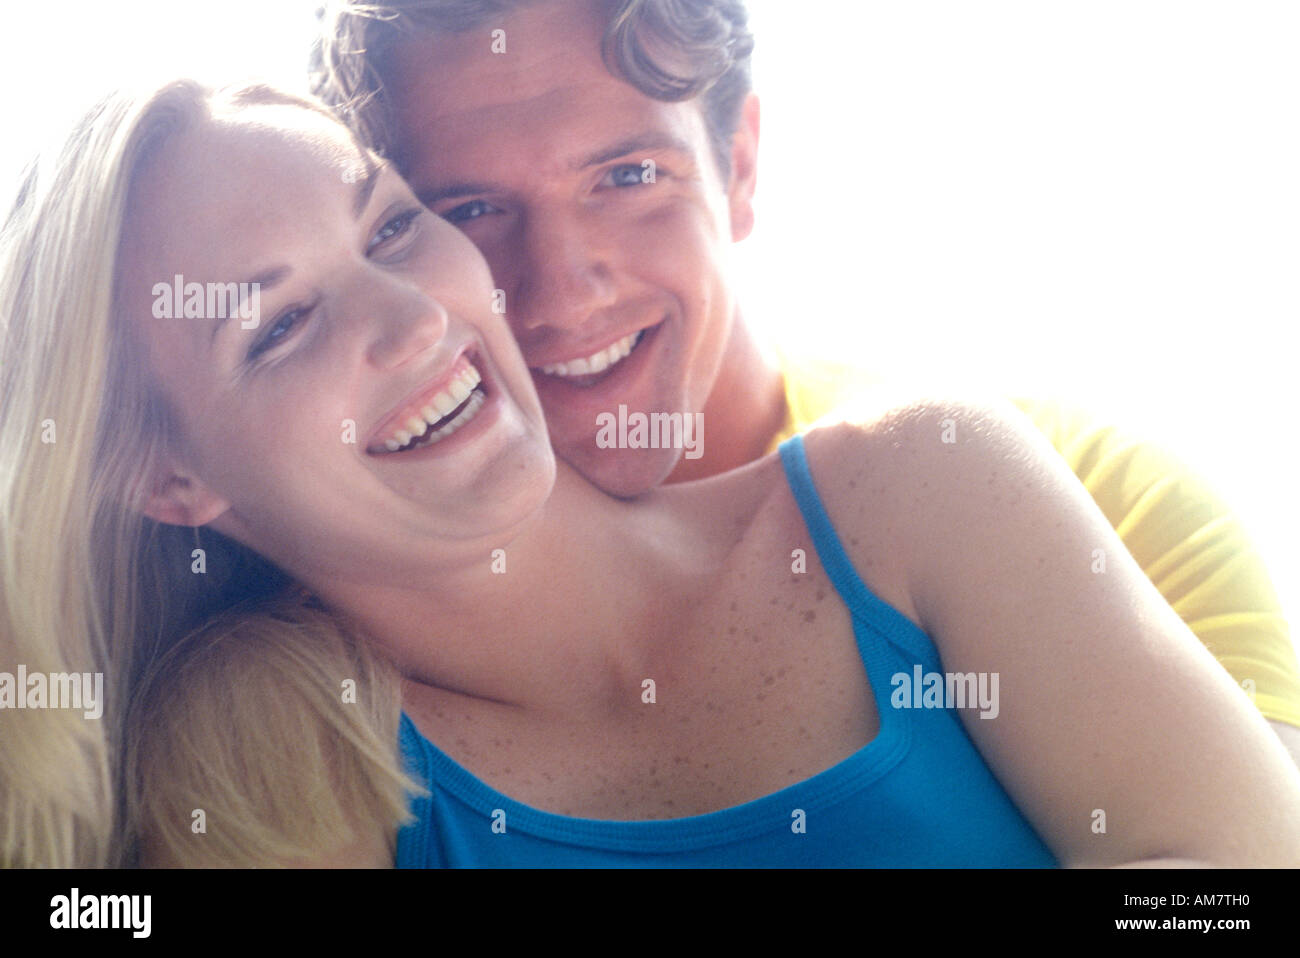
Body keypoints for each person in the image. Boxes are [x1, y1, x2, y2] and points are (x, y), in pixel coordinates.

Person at [3, 78, 1299, 868]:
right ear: (168, 481)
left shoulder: (922, 485)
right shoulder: (262, 761)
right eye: (276, 325)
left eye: (395, 223)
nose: (410, 318)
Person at [310, 0, 1300, 764]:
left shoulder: (1103, 497)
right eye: (472, 208)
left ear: (738, 167)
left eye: (627, 177)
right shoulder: (341, 645)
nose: (562, 291)